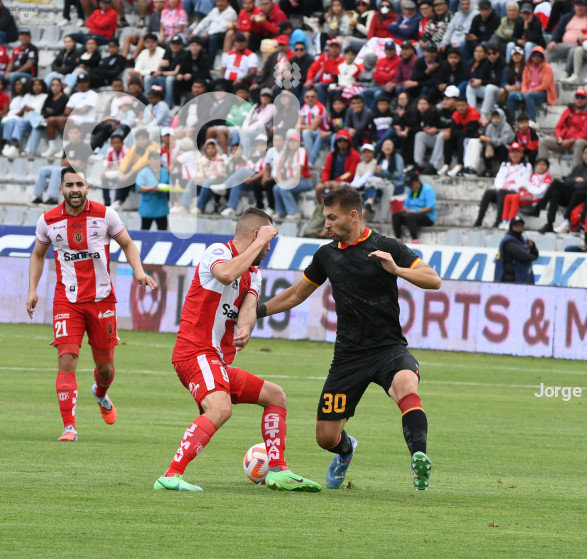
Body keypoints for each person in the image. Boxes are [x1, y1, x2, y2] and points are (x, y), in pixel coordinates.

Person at [259, 186, 441, 490]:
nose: (326, 225)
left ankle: (418, 457)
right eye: (325, 218)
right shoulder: (326, 255)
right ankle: (346, 450)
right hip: (349, 357)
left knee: (406, 386)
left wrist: (396, 269)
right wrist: (256, 312)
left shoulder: (388, 247)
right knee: (325, 437)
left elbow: (432, 279)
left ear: (353, 216)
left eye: (332, 218)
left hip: (389, 350)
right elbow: (295, 294)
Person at [154, 209, 320, 492]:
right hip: (195, 351)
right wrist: (259, 242)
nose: (267, 250)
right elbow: (226, 273)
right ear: (256, 236)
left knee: (275, 396)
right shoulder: (217, 252)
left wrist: (246, 328)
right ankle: (171, 476)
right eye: (267, 242)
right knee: (220, 408)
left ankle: (278, 471)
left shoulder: (253, 275)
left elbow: (247, 311)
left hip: (215, 359)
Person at [26, 167, 158, 442]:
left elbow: (128, 244)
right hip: (67, 300)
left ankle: (99, 392)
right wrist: (32, 289)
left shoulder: (106, 214)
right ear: (61, 189)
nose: (75, 189)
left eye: (79, 184)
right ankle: (69, 426)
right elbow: (38, 255)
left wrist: (138, 270)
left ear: (88, 187)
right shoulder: (48, 220)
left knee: (106, 367)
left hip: (102, 299)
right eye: (69, 185)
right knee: (66, 359)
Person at [393, 171, 436, 243]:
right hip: (411, 215)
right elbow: (406, 205)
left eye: (411, 185)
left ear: (417, 181)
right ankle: (398, 239)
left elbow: (430, 208)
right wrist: (405, 209)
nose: (410, 187)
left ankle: (415, 239)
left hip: (426, 217)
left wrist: (416, 211)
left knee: (410, 216)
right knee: (396, 215)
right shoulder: (410, 191)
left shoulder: (428, 190)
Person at [494, 215, 539, 283]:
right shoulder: (509, 242)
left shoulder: (523, 240)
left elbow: (534, 255)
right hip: (509, 280)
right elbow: (525, 256)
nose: (518, 228)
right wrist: (533, 255)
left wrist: (533, 247)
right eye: (516, 226)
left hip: (521, 278)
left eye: (520, 225)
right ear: (511, 227)